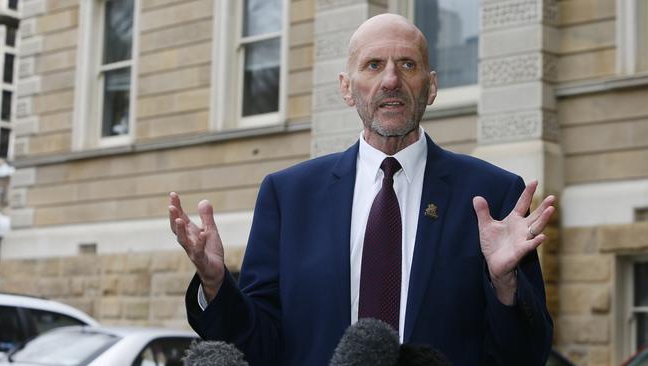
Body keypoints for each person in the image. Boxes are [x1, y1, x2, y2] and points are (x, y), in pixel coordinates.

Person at [169, 13, 554, 366]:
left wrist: (505, 284)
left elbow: (527, 355)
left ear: (431, 87)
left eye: (407, 65)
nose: (391, 80)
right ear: (347, 88)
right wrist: (216, 284)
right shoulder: (289, 197)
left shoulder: (492, 195)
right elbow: (259, 347)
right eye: (374, 65)